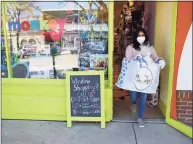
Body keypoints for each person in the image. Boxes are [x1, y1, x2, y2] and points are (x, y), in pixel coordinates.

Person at [125, 28, 165, 127]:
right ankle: (133, 103)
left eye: (143, 35)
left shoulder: (150, 47)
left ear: (145, 36)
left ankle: (140, 118)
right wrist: (136, 58)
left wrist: (160, 61)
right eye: (139, 35)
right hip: (134, 77)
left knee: (143, 97)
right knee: (133, 96)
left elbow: (155, 58)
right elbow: (127, 61)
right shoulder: (130, 47)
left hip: (146, 77)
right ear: (135, 36)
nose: (141, 37)